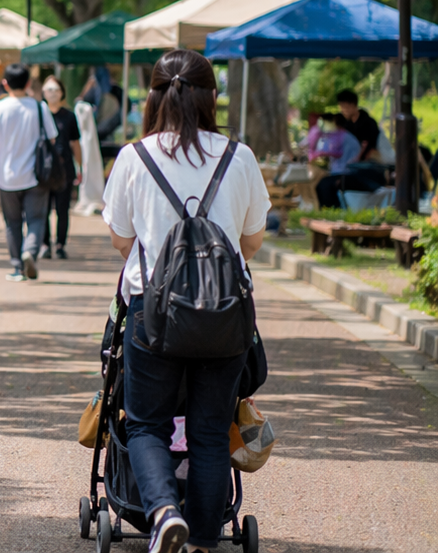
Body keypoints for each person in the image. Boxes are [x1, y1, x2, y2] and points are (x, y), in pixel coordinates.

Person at [102, 49, 269, 553]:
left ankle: (163, 511)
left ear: (154, 96)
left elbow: (120, 239)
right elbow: (253, 241)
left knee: (148, 423)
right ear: (211, 98)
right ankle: (201, 539)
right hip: (224, 318)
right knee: (211, 432)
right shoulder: (238, 156)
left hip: (154, 317)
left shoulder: (135, 156)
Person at [0, 63, 58, 281]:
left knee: (12, 223)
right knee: (36, 219)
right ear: (28, 82)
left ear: (5, 84)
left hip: (6, 178)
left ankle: (17, 266)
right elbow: (52, 138)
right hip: (36, 176)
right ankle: (29, 252)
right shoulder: (40, 107)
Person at [40, 77, 83, 260]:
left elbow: (75, 143)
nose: (52, 93)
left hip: (64, 168)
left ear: (62, 92)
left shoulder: (69, 116)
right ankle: (44, 244)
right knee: (43, 208)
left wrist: (79, 166)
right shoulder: (39, 115)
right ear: (43, 91)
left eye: (56, 89)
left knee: (63, 209)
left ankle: (60, 244)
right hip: (43, 169)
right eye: (49, 89)